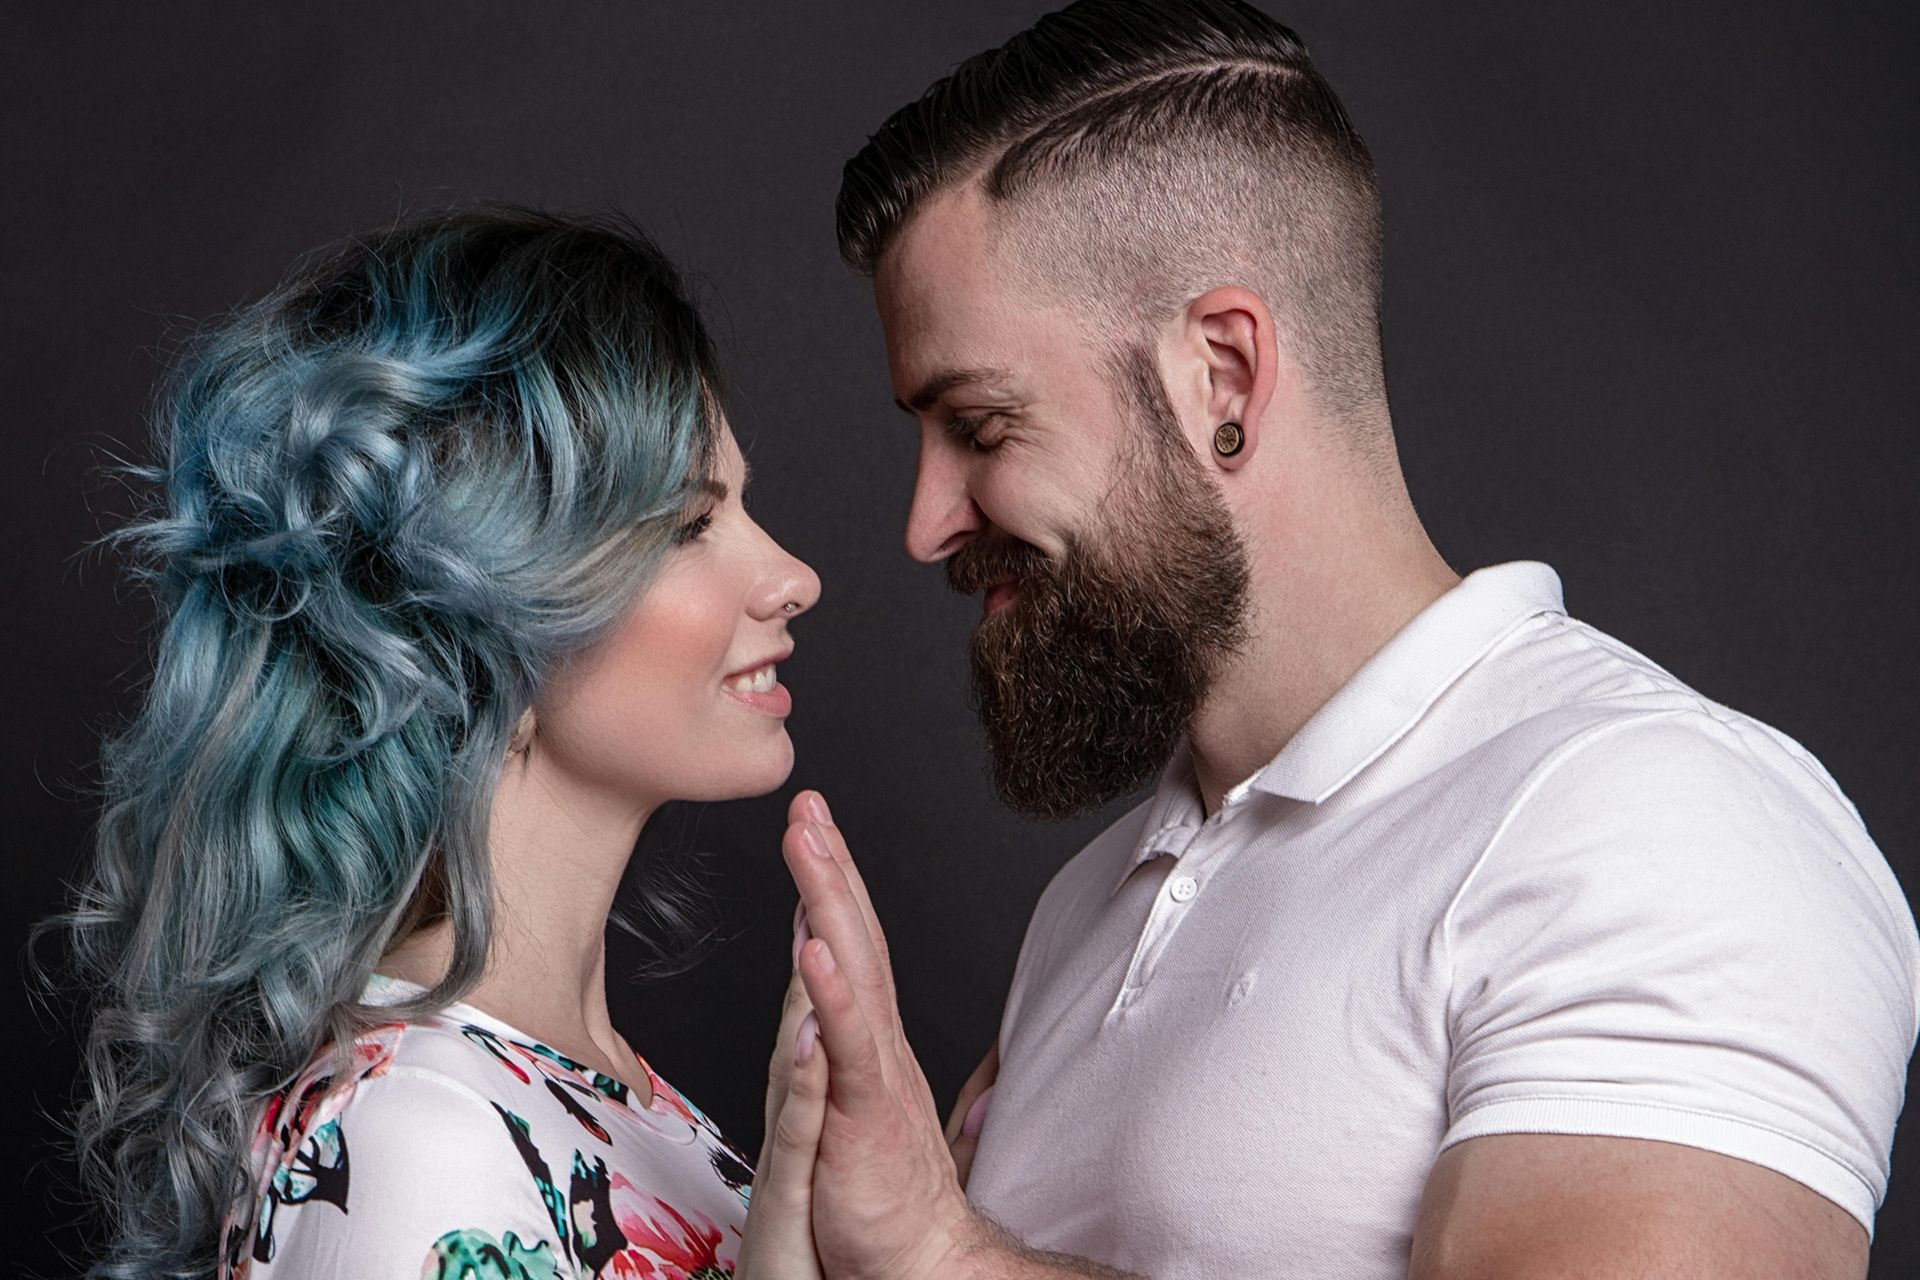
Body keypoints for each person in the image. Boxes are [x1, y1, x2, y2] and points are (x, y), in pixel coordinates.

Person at [772, 2, 1920, 1277]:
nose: (926, 522)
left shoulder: (1658, 820)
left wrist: (947, 1253)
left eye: (980, 428)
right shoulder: (1084, 911)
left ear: (1221, 373)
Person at [39, 205, 834, 1280]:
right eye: (690, 524)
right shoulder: (421, 1137)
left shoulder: (596, 1094)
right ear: (487, 614)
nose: (794, 576)